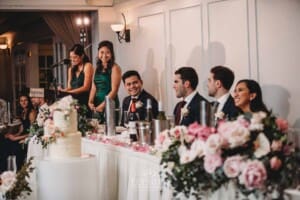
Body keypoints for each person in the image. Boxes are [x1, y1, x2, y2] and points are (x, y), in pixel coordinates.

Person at [88, 40, 121, 123]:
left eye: (107, 52)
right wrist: (90, 101)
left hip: (109, 104)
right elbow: (93, 87)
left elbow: (114, 91)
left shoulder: (115, 68)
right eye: (101, 52)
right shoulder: (96, 68)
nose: (104, 55)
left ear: (111, 54)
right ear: (98, 53)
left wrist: (102, 106)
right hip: (97, 103)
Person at [4, 94, 36, 170]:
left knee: (16, 147)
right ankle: (6, 170)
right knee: (5, 142)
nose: (23, 102)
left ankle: (19, 170)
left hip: (29, 137)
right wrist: (13, 135)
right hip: (23, 135)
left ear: (29, 101)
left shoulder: (32, 113)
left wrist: (16, 138)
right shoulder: (23, 111)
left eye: (25, 100)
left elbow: (32, 132)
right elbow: (22, 129)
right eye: (21, 101)